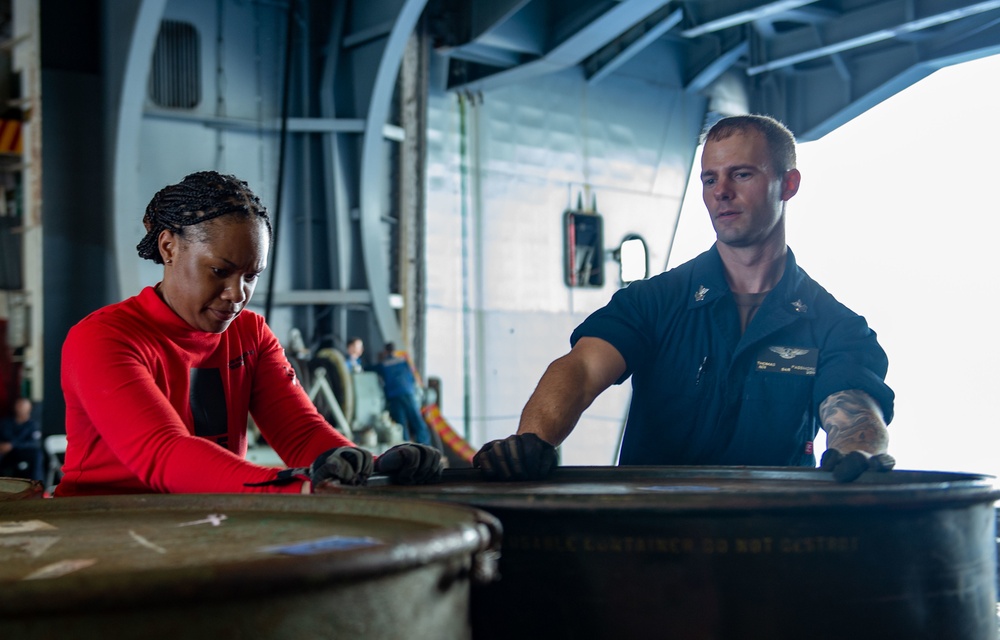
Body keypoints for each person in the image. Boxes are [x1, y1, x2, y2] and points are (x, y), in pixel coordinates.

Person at [474, 114, 895, 483]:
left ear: (788, 184)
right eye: (710, 178)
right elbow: (581, 370)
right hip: (650, 541)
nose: (721, 192)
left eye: (742, 174)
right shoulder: (654, 303)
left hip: (771, 543)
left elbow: (854, 408)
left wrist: (857, 451)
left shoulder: (835, 328)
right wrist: (531, 443)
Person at [57, 171, 441, 496]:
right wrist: (298, 486)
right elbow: (165, 452)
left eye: (251, 275)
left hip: (200, 526)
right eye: (220, 271)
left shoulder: (250, 334)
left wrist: (370, 470)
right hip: (100, 530)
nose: (238, 294)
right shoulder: (104, 339)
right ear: (169, 247)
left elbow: (302, 434)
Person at [374, 342, 433, 446]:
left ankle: (405, 447)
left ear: (385, 351)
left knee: (400, 423)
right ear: (394, 351)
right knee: (417, 421)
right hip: (408, 393)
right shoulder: (404, 361)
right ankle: (425, 446)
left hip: (394, 396)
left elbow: (368, 369)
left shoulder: (383, 364)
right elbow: (412, 378)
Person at [0, 397, 43, 482]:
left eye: (23, 405)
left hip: (23, 452)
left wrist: (13, 445)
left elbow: (35, 443)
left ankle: (38, 485)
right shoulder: (5, 423)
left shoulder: (33, 425)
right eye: (18, 405)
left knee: (37, 454)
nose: (20, 408)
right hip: (5, 453)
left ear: (29, 408)